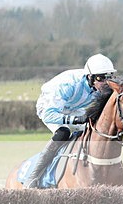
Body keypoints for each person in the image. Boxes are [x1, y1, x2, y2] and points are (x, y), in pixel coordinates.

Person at [25, 53, 116, 188]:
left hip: (75, 107)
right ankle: (33, 176)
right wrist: (75, 119)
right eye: (100, 78)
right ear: (90, 77)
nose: (105, 83)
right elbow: (48, 114)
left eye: (108, 78)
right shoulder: (69, 84)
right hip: (51, 109)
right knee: (64, 132)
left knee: (91, 131)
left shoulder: (100, 86)